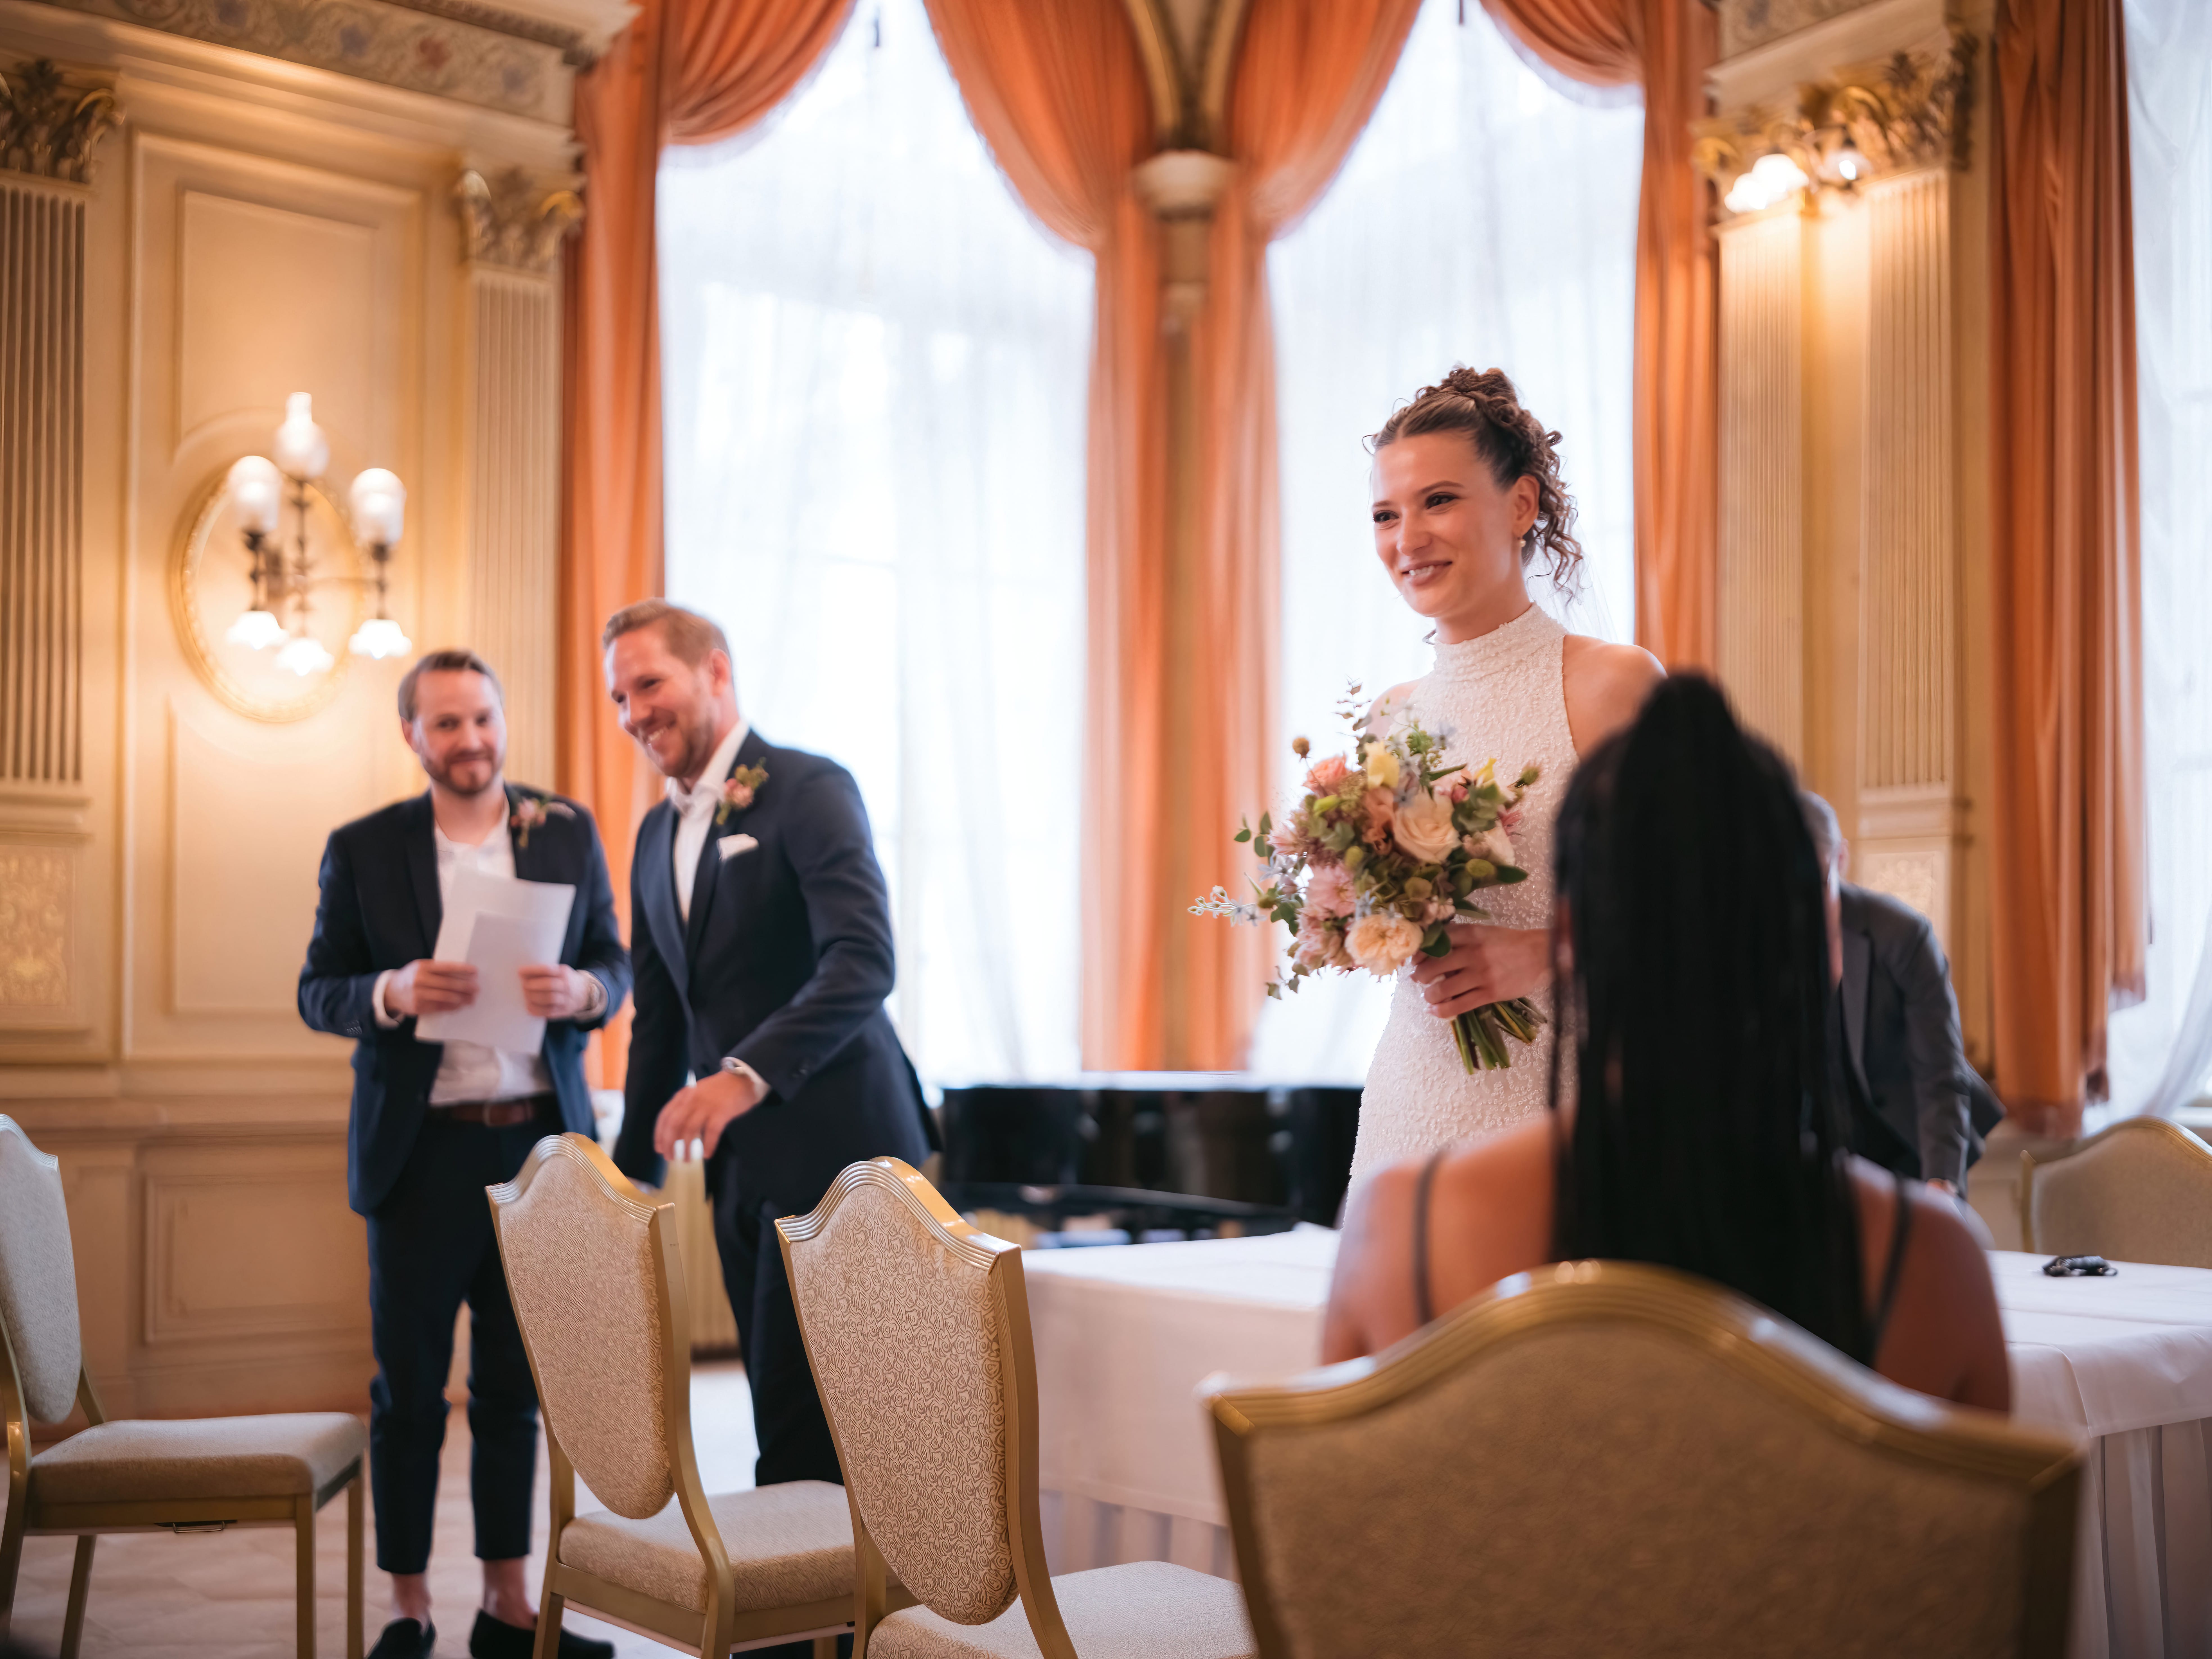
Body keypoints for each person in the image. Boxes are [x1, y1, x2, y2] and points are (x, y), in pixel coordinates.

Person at [1322, 677, 2010, 1413]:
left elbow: (1349, 1522)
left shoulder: (1400, 1229)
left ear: (1569, 939)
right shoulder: (1932, 1264)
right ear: (1822, 949)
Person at [299, 650, 631, 1659]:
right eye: (446, 724)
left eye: (482, 718)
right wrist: (393, 990)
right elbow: (320, 991)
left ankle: (507, 1603)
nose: (472, 740)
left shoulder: (564, 828)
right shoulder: (362, 849)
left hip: (537, 1156)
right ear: (413, 738)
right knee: (407, 1392)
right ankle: (408, 1606)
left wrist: (583, 995)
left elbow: (615, 963)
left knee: (513, 1393)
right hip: (418, 1158)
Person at [603, 602, 934, 1505]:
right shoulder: (650, 836)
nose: (633, 713)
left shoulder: (808, 786)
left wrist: (742, 1074)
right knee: (774, 1409)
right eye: (618, 697)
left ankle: (824, 1632)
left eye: (649, 684)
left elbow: (864, 959)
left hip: (846, 1155)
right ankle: (810, 1616)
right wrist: (627, 1177)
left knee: (827, 1428)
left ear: (715, 672)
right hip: (740, 1171)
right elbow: (662, 1019)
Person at [1348, 367, 1663, 1192]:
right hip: (1409, 1106)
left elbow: (1703, 914)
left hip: (1559, 1109)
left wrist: (1548, 953)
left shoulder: (1613, 686)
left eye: (1438, 501)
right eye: (1386, 514)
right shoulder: (1388, 716)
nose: (1406, 538)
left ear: (1522, 506)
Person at [1802, 792, 2005, 1192]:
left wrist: (1941, 1185)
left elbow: (1939, 1074)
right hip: (1821, 1160)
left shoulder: (1903, 935)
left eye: (1813, 883)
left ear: (1840, 860)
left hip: (1910, 1152)